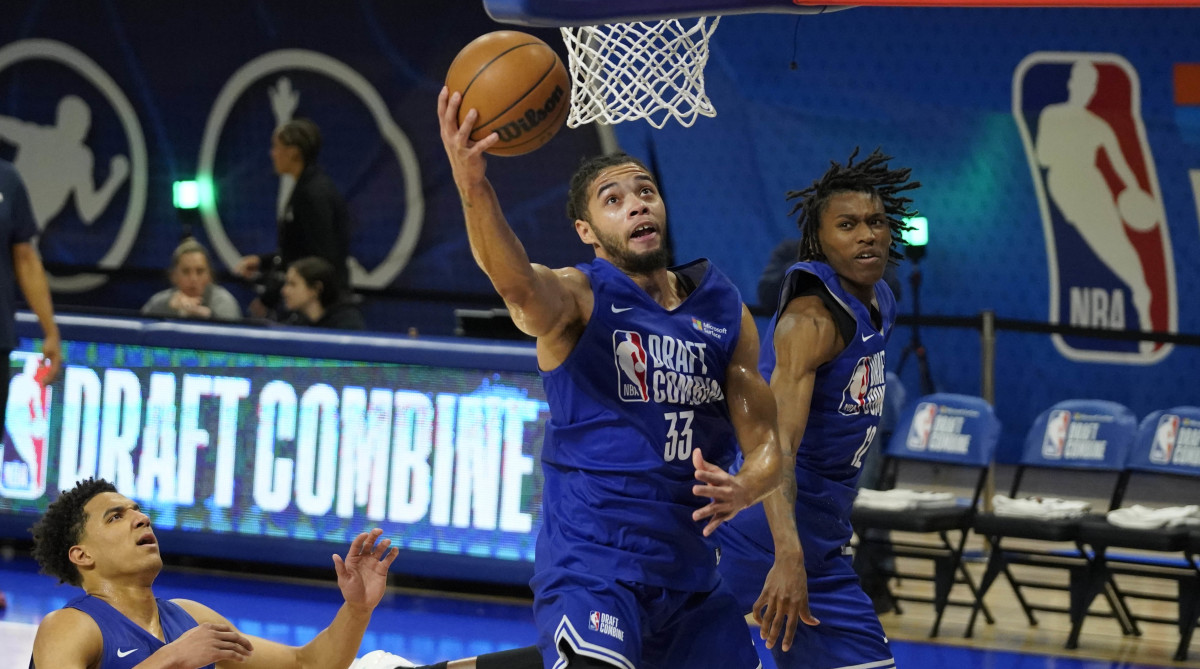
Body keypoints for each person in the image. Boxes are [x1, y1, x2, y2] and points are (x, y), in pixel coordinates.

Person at [437, 86, 787, 669]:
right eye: (614, 198)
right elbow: (517, 286)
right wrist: (473, 185)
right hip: (594, 565)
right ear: (587, 231)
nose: (637, 205)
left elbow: (768, 445)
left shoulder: (724, 308)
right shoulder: (579, 297)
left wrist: (747, 486)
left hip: (691, 579)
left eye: (645, 192)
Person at [716, 148, 919, 669]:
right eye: (847, 225)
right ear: (819, 241)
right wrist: (787, 555)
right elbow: (776, 448)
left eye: (875, 222)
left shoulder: (880, 302)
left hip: (822, 543)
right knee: (641, 656)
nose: (867, 235)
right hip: (764, 535)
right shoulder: (809, 322)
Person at [28, 477, 402, 668]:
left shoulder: (189, 617)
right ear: (82, 555)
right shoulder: (70, 625)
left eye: (137, 510)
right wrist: (173, 659)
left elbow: (305, 664)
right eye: (116, 517)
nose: (141, 518)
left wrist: (357, 609)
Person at [234, 118, 351, 317]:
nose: (272, 154)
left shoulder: (312, 195)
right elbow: (298, 249)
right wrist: (262, 262)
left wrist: (270, 296)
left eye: (276, 147)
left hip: (322, 311)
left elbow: (318, 259)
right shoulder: (307, 188)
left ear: (294, 152)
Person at [141, 239, 242, 320]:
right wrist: (170, 310)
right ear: (174, 276)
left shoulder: (224, 302)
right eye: (186, 271)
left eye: (200, 271)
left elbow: (232, 340)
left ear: (210, 276)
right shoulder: (159, 303)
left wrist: (207, 316)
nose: (193, 278)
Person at [280, 256, 365, 330]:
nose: (284, 291)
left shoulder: (347, 325)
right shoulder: (295, 323)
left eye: (292, 284)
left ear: (316, 289)